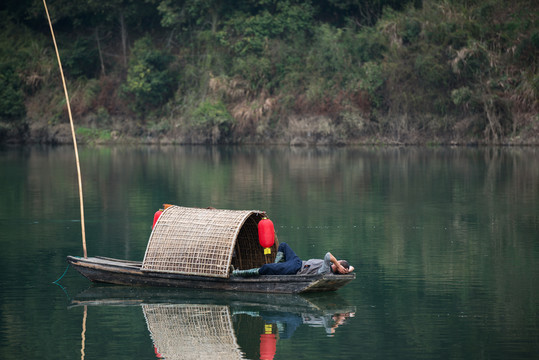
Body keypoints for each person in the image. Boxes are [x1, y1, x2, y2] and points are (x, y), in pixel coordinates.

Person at [232, 242, 354, 277]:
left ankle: (238, 273)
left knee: (265, 268)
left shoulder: (326, 270)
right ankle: (277, 269)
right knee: (283, 246)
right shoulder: (333, 266)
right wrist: (348, 270)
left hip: (295, 269)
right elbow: (350, 268)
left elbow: (328, 255)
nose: (337, 260)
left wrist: (338, 265)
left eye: (338, 262)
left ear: (337, 267)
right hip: (298, 262)